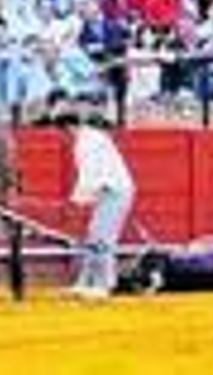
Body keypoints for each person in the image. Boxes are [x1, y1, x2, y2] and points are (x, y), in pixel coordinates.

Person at [54, 111, 135, 300]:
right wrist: (81, 199)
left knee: (101, 237)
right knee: (94, 235)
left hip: (114, 192)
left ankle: (103, 285)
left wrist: (76, 201)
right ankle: (85, 283)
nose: (63, 138)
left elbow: (89, 176)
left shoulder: (85, 142)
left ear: (68, 128)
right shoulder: (91, 137)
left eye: (62, 133)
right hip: (111, 191)